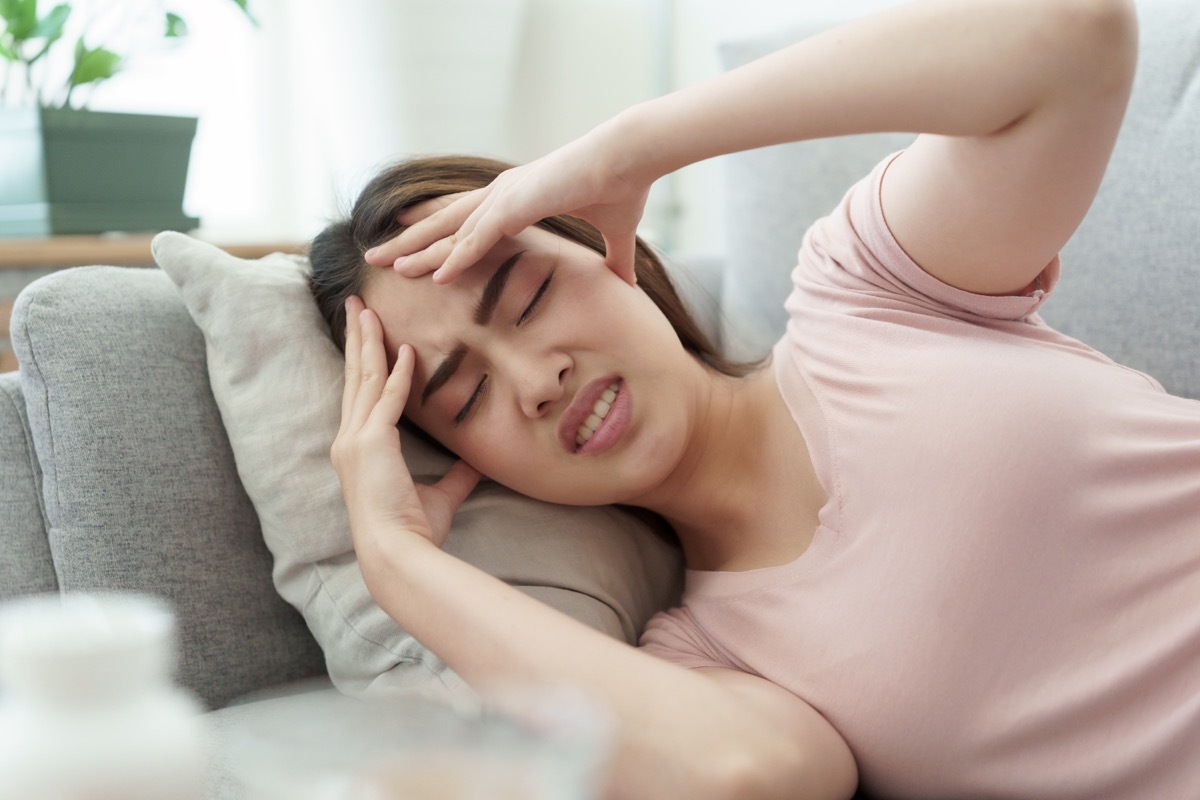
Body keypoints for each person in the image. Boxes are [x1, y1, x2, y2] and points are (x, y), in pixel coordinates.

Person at [309, 0, 1200, 797]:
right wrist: (395, 558)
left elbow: (1073, 34)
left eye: (530, 296)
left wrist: (630, 146)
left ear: (607, 246)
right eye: (466, 397)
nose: (538, 382)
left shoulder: (872, 292)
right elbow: (750, 777)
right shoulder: (709, 662)